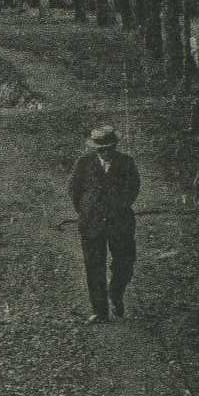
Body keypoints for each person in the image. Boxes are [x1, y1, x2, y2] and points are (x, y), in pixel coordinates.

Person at [69, 125, 140, 322]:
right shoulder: (84, 164)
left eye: (110, 148)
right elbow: (74, 191)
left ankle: (116, 292)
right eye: (101, 149)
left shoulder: (126, 163)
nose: (106, 153)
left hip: (120, 222)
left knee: (125, 263)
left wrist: (118, 206)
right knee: (94, 266)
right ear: (95, 148)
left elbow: (133, 188)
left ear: (115, 146)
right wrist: (87, 211)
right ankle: (100, 311)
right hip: (92, 223)